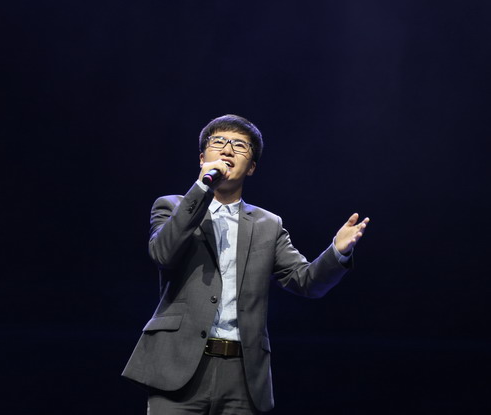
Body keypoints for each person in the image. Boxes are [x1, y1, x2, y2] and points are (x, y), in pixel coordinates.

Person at [122, 114, 369, 414]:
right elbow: (163, 254)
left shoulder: (268, 225)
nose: (227, 149)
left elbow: (305, 281)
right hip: (178, 366)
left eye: (240, 145)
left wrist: (337, 252)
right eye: (218, 142)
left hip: (241, 375)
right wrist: (200, 188)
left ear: (251, 167)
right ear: (202, 158)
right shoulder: (172, 206)